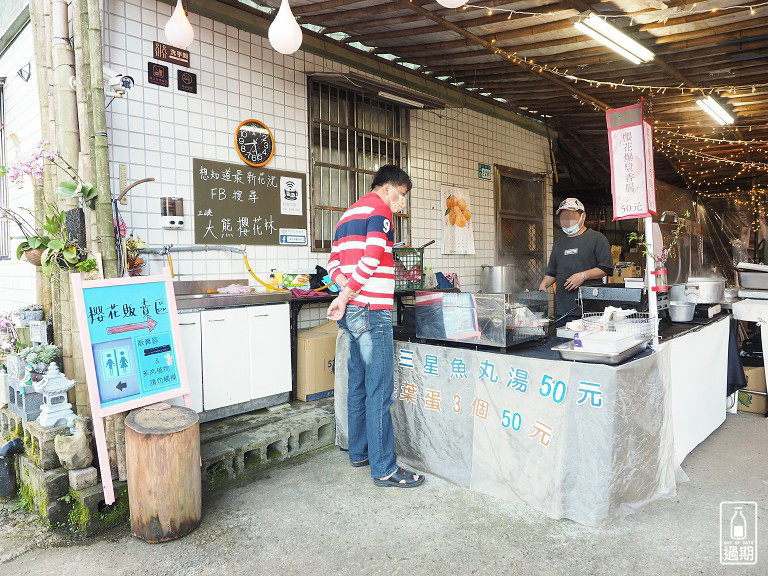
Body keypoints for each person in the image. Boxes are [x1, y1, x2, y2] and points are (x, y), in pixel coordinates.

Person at [326, 165, 425, 489]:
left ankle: (360, 452)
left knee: (357, 384)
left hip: (352, 311)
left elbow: (333, 264)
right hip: (372, 311)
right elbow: (370, 260)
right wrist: (347, 294)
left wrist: (343, 295)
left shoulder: (347, 214)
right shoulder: (380, 210)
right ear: (389, 189)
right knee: (379, 390)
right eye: (402, 197)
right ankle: (384, 468)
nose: (401, 205)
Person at [538, 198, 614, 326]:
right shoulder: (559, 243)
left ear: (583, 216)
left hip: (590, 312)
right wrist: (543, 286)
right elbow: (551, 272)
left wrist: (583, 276)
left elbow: (605, 268)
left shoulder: (597, 238)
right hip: (562, 311)